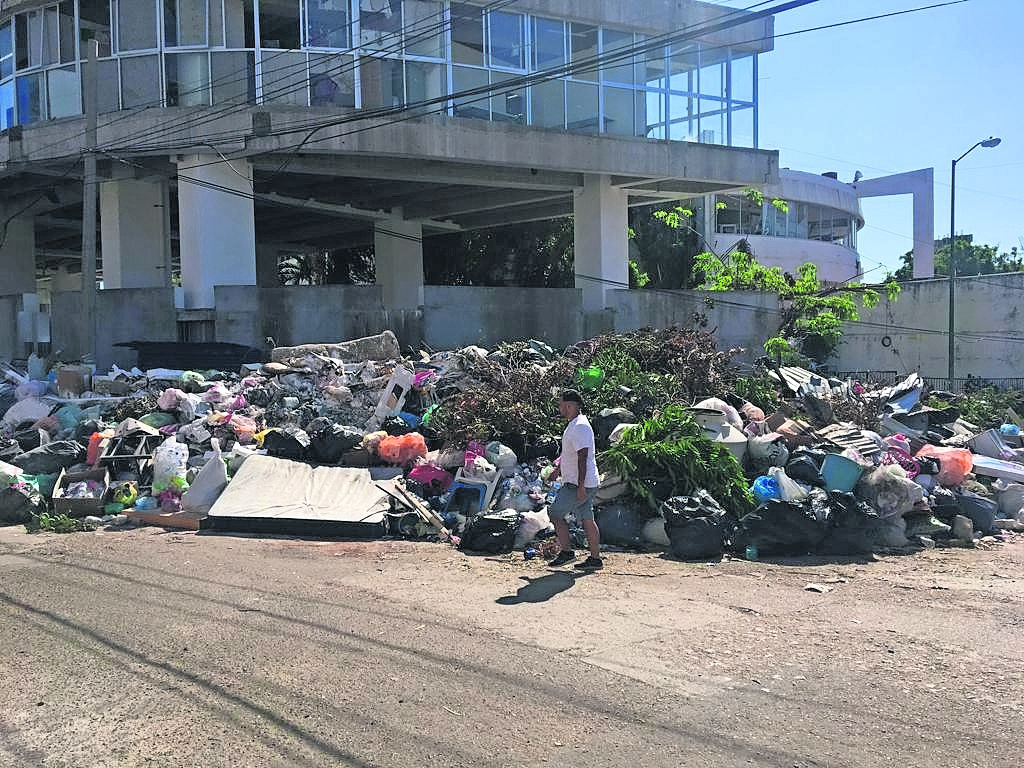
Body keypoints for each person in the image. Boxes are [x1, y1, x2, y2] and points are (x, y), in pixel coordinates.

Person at [546, 389, 602, 569]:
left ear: (569, 405)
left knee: (554, 513)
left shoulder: (580, 427)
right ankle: (595, 559)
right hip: (580, 482)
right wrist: (557, 469)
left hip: (578, 483)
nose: (559, 408)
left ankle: (567, 552)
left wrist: (580, 486)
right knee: (587, 518)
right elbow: (570, 454)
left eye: (561, 405)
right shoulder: (575, 424)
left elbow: (582, 457)